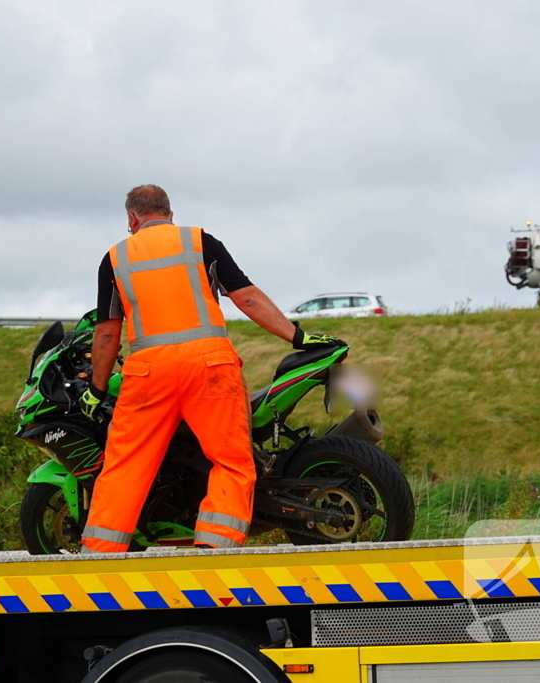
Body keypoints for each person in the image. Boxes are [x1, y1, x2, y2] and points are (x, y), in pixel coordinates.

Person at [78, 184, 345, 553]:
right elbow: (246, 296)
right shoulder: (199, 242)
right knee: (231, 459)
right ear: (170, 213)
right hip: (209, 367)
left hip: (147, 373)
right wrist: (296, 336)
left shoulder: (115, 258)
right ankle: (214, 548)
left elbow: (108, 333)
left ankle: (100, 552)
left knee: (126, 464)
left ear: (132, 219)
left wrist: (96, 387)